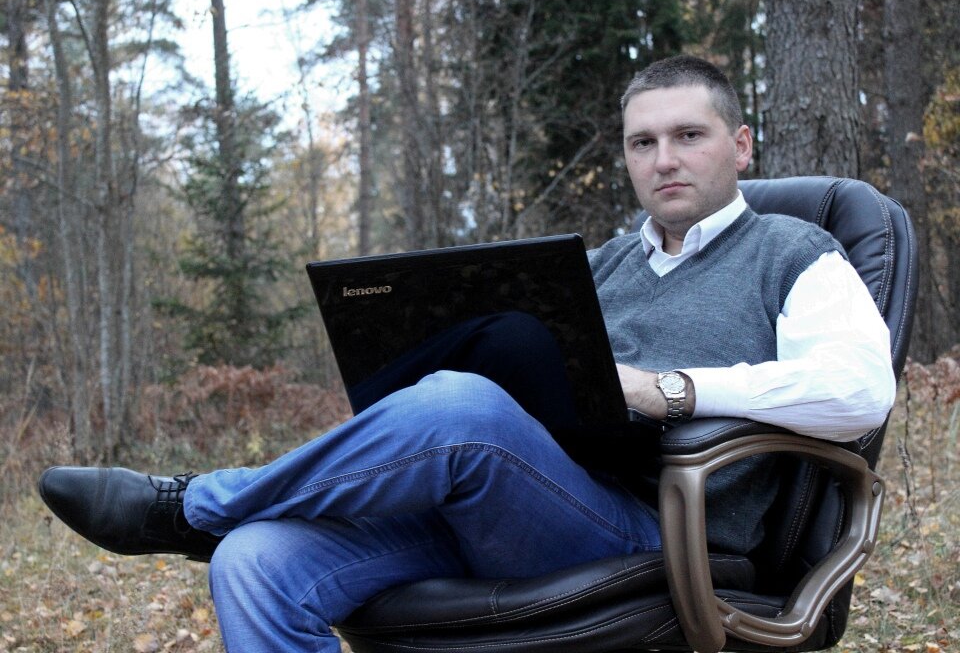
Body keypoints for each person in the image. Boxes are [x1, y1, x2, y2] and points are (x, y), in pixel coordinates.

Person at [38, 55, 896, 652]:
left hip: (659, 527)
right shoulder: (599, 268)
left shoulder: (794, 251)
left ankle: (194, 506)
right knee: (256, 562)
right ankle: (222, 524)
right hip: (519, 501)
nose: (664, 159)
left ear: (740, 145)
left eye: (688, 136)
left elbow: (859, 390)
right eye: (643, 143)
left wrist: (668, 390)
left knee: (460, 405)